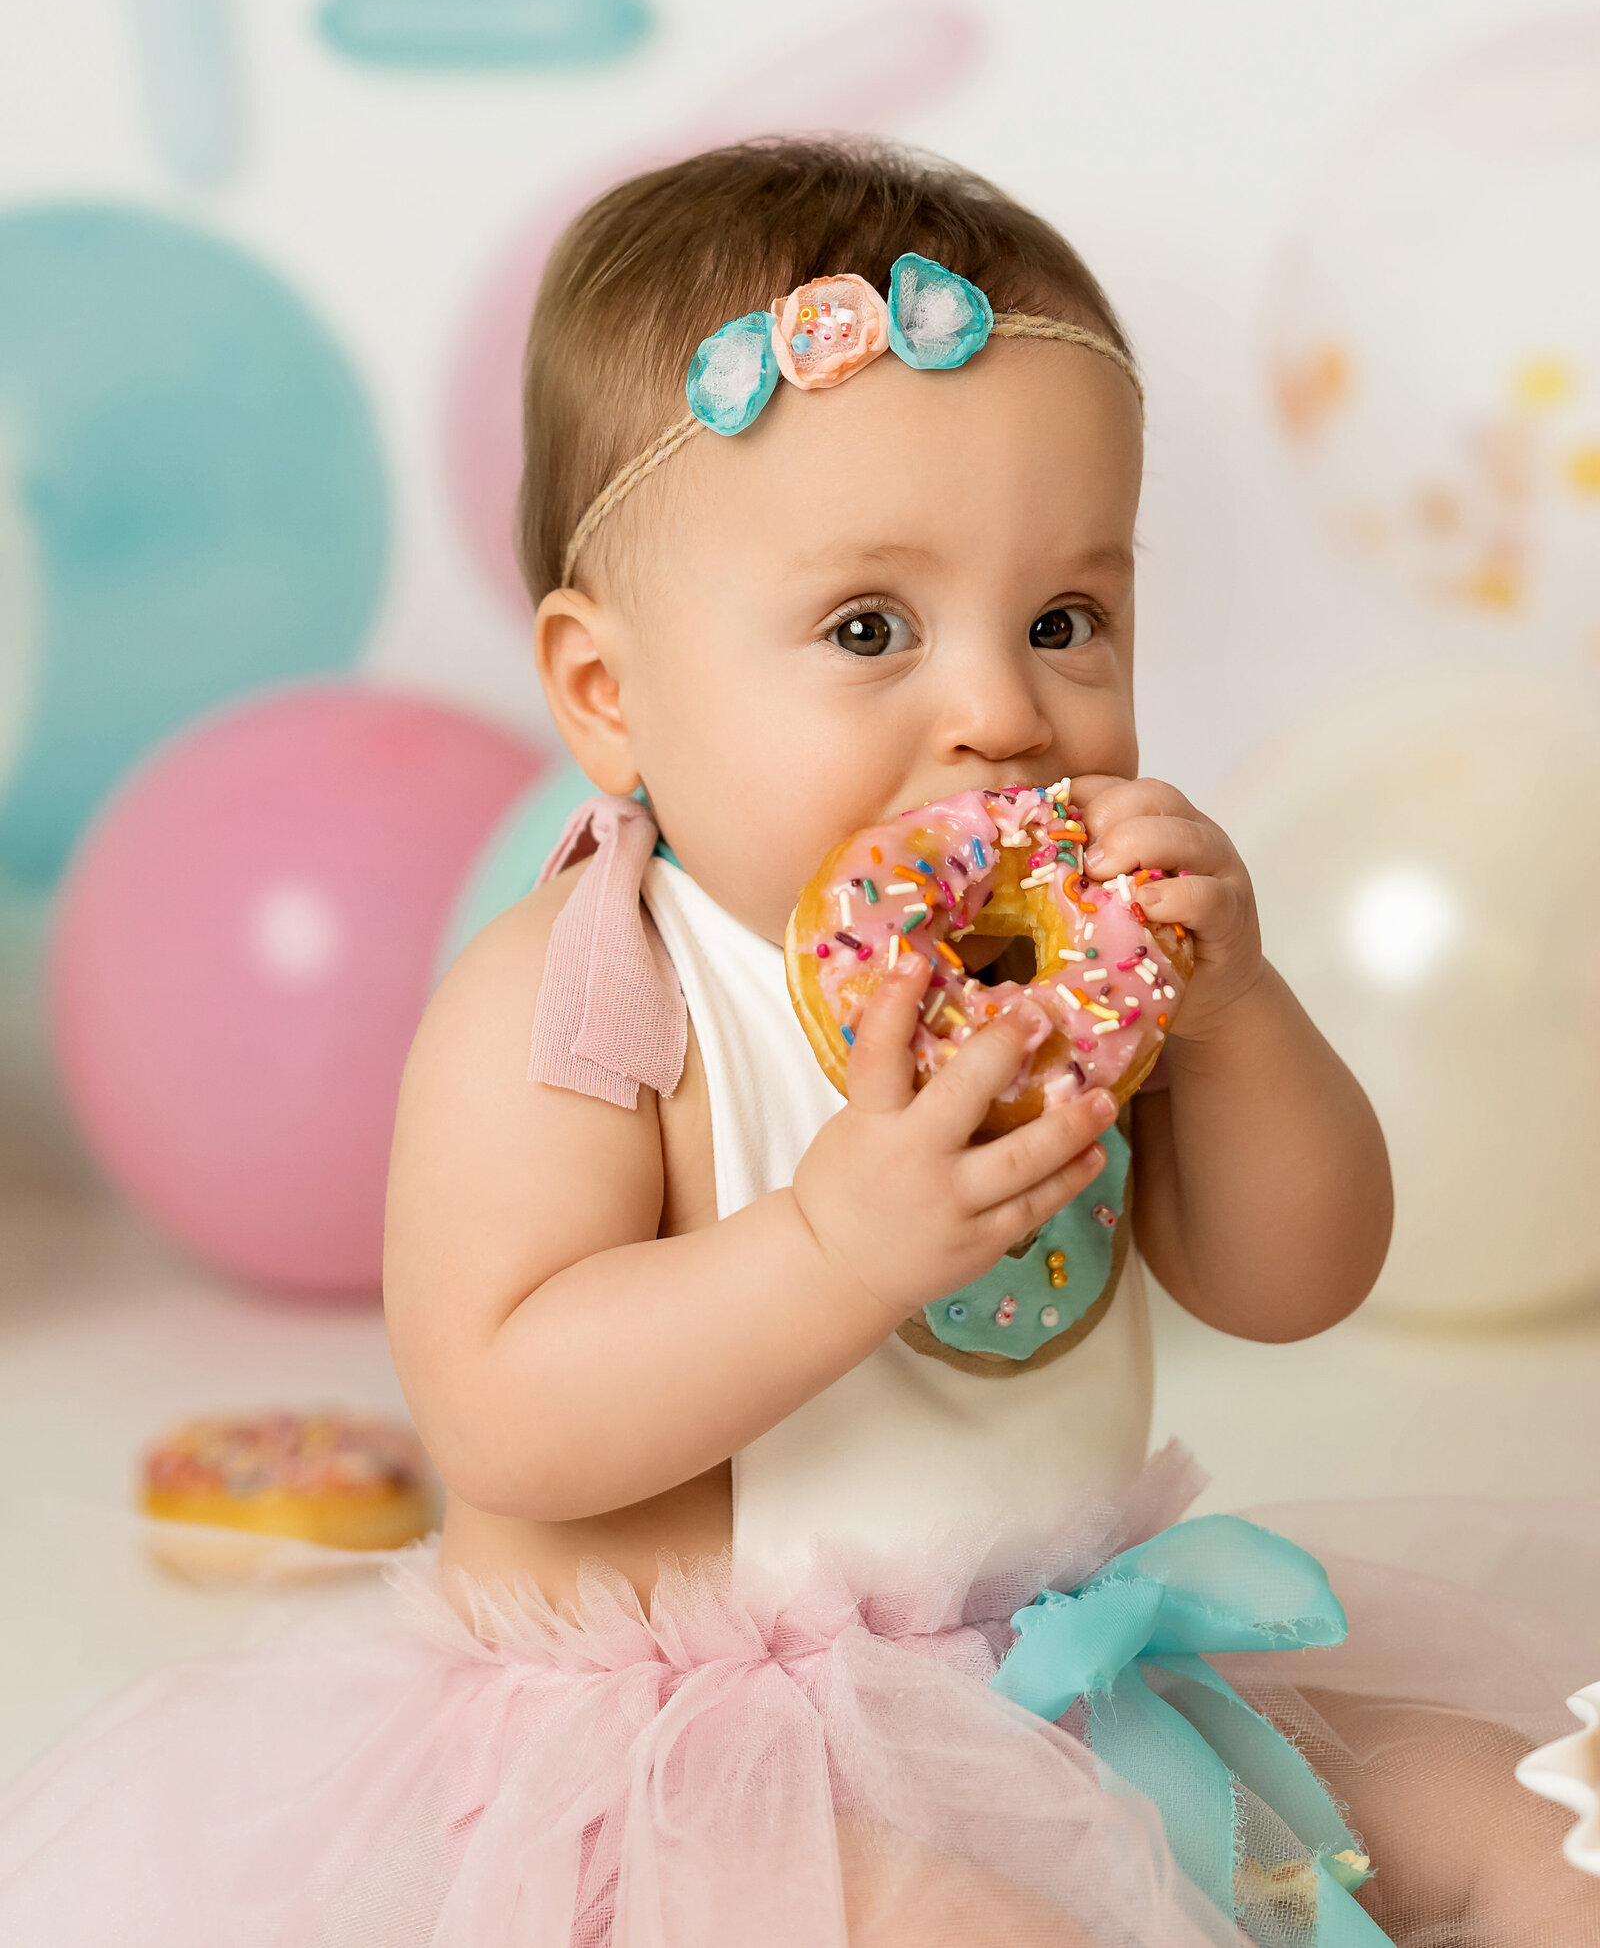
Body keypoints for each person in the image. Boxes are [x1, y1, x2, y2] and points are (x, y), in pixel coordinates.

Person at [1, 138, 1595, 1946]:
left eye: (1066, 618)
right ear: (611, 695)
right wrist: (836, 1249)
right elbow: (507, 1406)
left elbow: (1298, 1279)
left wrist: (1239, 1017)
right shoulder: (595, 997)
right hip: (698, 1762)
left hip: (1070, 1673)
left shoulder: (1060, 970)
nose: (1004, 712)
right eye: (868, 627)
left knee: (1508, 1800)